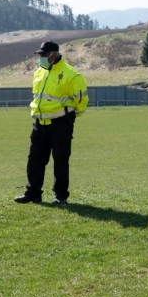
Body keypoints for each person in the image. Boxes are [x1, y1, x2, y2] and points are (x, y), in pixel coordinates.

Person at [14, 40, 88, 205]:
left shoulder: (71, 74)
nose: (40, 58)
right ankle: (33, 193)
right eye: (39, 55)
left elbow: (81, 100)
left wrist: (70, 117)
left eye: (43, 55)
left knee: (60, 160)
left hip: (60, 124)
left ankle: (60, 196)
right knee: (34, 159)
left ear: (53, 54)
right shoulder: (39, 72)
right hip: (40, 123)